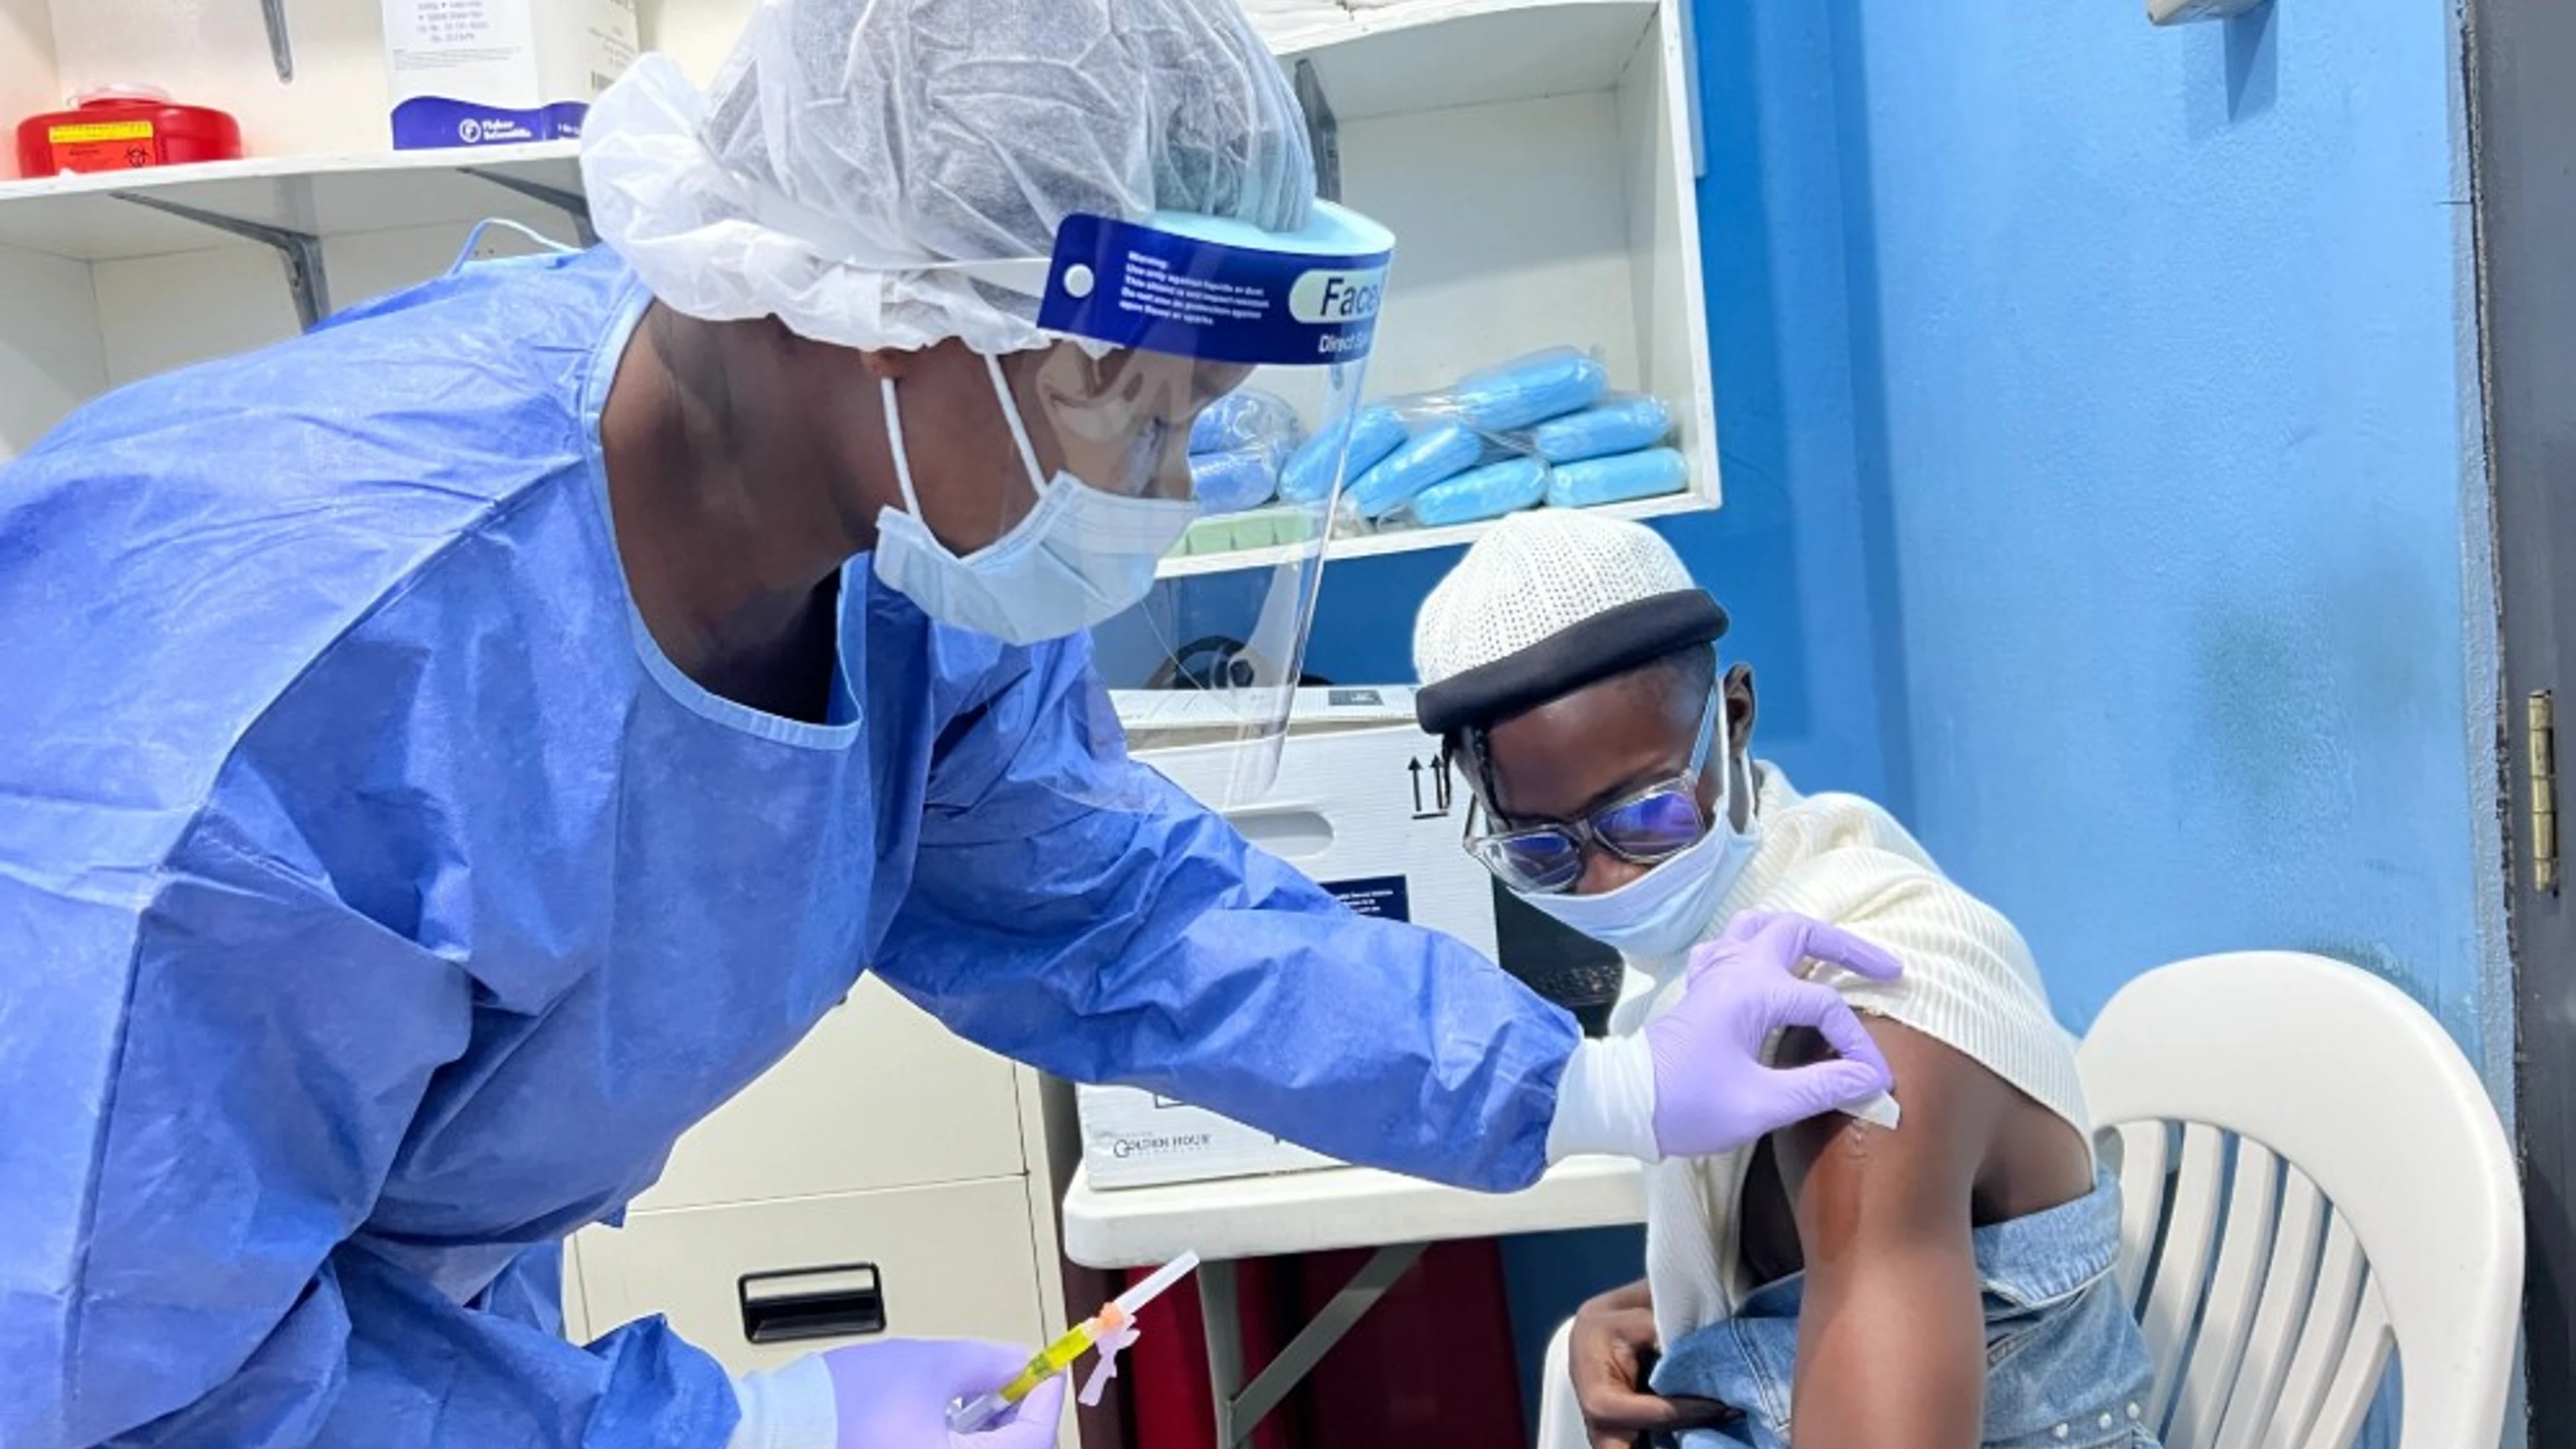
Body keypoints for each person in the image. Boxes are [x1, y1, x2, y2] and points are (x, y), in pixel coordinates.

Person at [0, 3, 1905, 1446]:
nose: (1157, 491)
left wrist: (1589, 1084)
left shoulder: (899, 548)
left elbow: (1118, 913)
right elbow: (122, 1371)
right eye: (1133, 407)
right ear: (889, 309)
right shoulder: (294, 675)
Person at [1409, 513, 2159, 1449]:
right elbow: (1850, 1259)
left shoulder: (1861, 1043)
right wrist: (1671, 1318)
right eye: (1542, 850)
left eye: (1646, 814)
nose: (1611, 881)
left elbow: (1876, 1219)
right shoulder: (1724, 969)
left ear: (1733, 716)